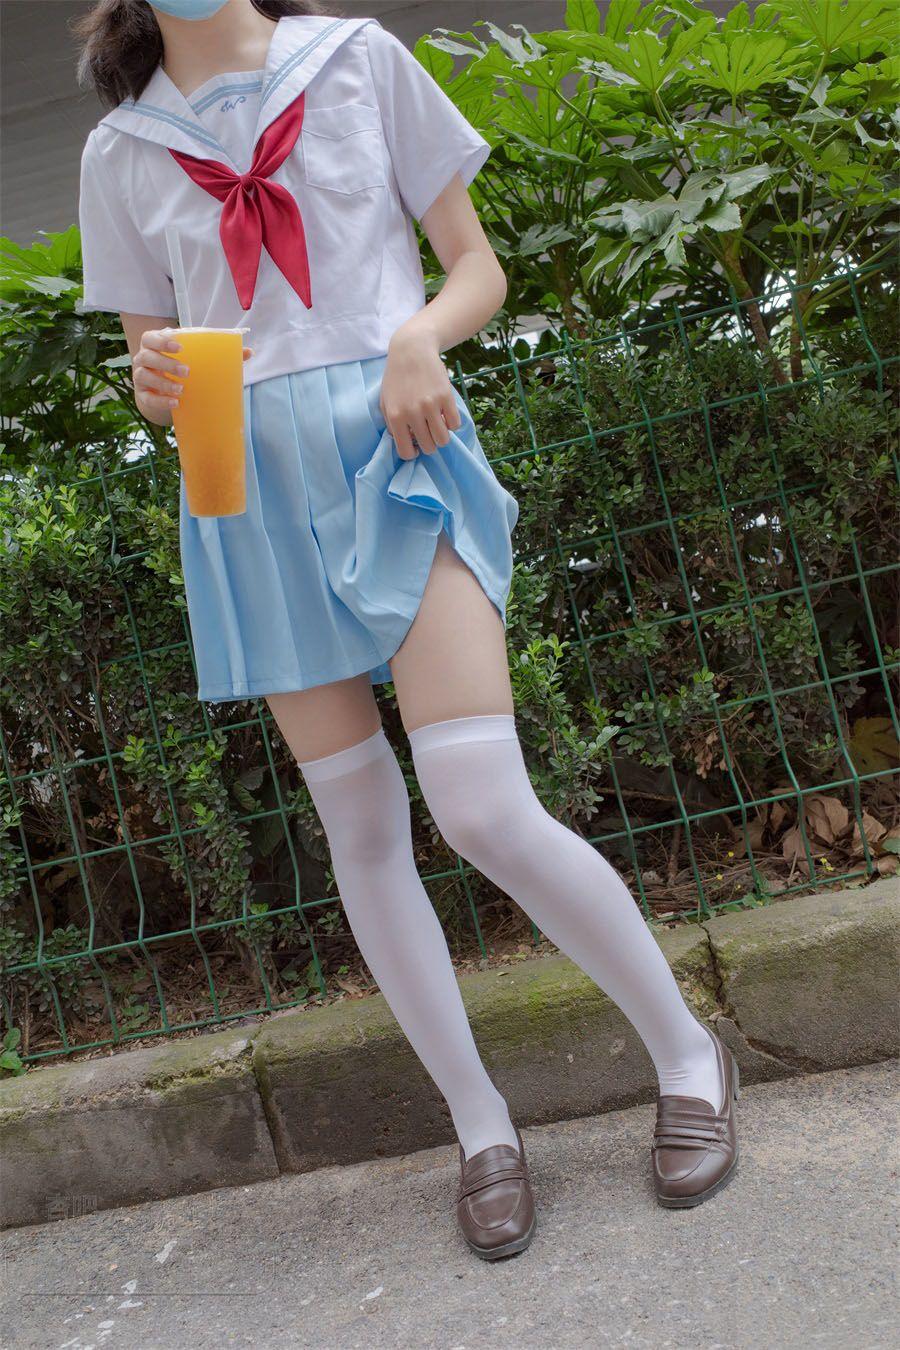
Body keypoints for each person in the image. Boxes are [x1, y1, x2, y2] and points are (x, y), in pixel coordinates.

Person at [74, 0, 740, 1260]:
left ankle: (689, 1053)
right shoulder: (123, 149)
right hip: (245, 501)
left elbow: (476, 264)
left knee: (480, 805)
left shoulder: (356, 61)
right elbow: (153, 364)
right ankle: (480, 1128)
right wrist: (153, 385)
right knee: (363, 829)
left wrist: (421, 337)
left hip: (398, 452)